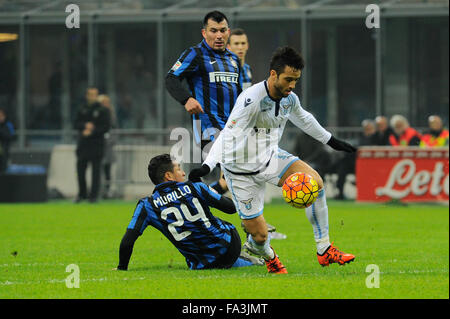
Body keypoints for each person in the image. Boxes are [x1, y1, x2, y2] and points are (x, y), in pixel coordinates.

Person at [189, 47, 356, 274]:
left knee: (315, 183)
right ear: (273, 74)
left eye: (296, 80)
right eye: (288, 79)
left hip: (269, 158)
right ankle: (267, 254)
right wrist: (208, 165)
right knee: (260, 236)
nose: (292, 86)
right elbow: (227, 134)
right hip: (240, 171)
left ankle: (324, 249)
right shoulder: (251, 100)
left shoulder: (290, 98)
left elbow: (304, 119)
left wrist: (332, 141)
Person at [115, 154, 263, 271]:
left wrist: (122, 268)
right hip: (229, 246)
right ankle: (248, 255)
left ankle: (244, 260)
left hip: (200, 263)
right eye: (179, 168)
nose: (183, 172)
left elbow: (128, 241)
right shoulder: (195, 187)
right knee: (213, 218)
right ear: (169, 175)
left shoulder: (146, 205)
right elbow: (231, 208)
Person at [165, 10, 242, 196]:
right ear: (204, 33)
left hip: (233, 127)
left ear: (228, 32)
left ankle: (196, 199)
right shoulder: (195, 54)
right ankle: (252, 219)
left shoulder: (233, 60)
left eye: (222, 30)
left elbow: (239, 95)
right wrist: (187, 99)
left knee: (235, 175)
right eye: (213, 30)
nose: (218, 35)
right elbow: (171, 78)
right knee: (239, 170)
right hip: (209, 127)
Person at [227, 28, 287, 240]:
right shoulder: (225, 70)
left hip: (246, 133)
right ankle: (253, 227)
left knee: (250, 175)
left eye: (243, 44)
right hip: (228, 131)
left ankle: (255, 228)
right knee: (229, 180)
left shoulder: (247, 70)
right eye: (235, 44)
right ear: (228, 46)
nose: (240, 48)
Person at [74, 87, 111, 203]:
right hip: (83, 144)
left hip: (96, 144)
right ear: (87, 96)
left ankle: (93, 196)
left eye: (94, 95)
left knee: (96, 171)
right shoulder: (82, 109)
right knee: (80, 170)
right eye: (90, 94)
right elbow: (75, 123)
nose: (92, 97)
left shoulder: (103, 111)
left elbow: (106, 127)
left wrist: (93, 131)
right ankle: (82, 194)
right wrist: (85, 126)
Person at [336, 119, 377, 200]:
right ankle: (340, 192)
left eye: (369, 128)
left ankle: (365, 194)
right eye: (366, 129)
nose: (367, 131)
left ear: (374, 129)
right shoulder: (361, 138)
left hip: (370, 164)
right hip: (356, 162)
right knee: (343, 167)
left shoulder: (376, 138)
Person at [98, 94, 117, 199]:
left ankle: (106, 191)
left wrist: (108, 140)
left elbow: (114, 131)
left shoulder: (111, 116)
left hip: (107, 148)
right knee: (97, 170)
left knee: (107, 171)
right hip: (97, 147)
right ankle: (98, 190)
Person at [0, 108, 15, 173]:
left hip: (4, 151)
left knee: (4, 169)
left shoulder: (8, 125)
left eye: (1, 116)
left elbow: (11, 136)